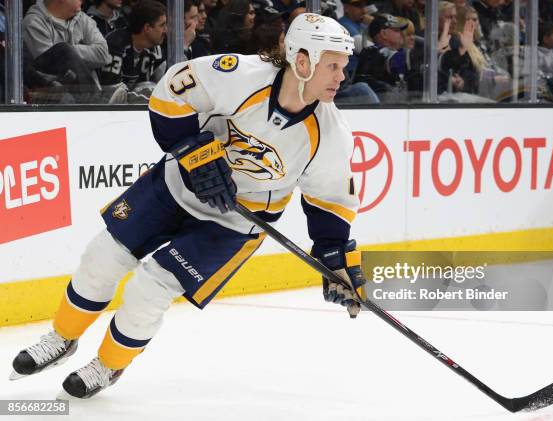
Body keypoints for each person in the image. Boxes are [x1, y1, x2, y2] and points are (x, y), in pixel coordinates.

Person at [10, 12, 365, 400]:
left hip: (236, 221)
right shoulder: (239, 75)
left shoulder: (331, 135)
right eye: (332, 66)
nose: (341, 76)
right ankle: (62, 337)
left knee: (151, 288)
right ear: (302, 60)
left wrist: (333, 258)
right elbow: (169, 95)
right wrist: (194, 152)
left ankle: (108, 364)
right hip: (177, 184)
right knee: (103, 255)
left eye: (342, 67)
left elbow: (330, 200)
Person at [23, 0, 111, 103]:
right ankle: (93, 100)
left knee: (64, 50)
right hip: (55, 100)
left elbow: (103, 54)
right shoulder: (34, 22)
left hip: (90, 94)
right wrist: (69, 52)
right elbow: (51, 67)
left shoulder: (83, 18)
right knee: (63, 51)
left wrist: (71, 51)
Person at [100, 0, 167, 103]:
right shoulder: (116, 44)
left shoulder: (154, 49)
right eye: (162, 25)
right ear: (147, 28)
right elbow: (110, 94)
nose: (165, 30)